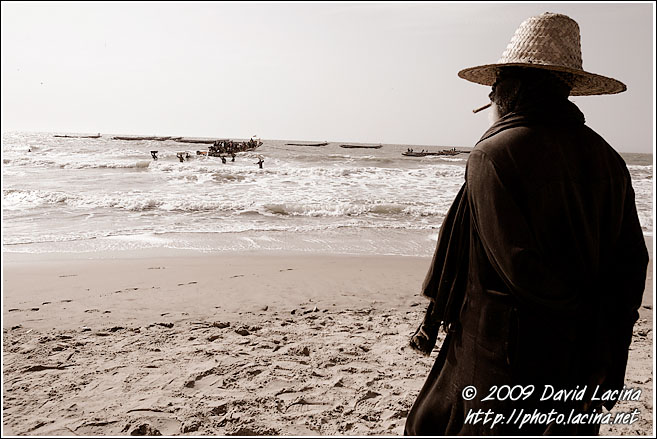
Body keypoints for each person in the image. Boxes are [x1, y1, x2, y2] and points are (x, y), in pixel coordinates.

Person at [404, 12, 648, 436]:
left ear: (507, 91)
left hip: (504, 355)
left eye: (494, 88)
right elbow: (631, 263)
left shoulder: (493, 154)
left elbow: (519, 268)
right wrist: (603, 339)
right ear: (564, 92)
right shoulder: (608, 157)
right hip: (585, 354)